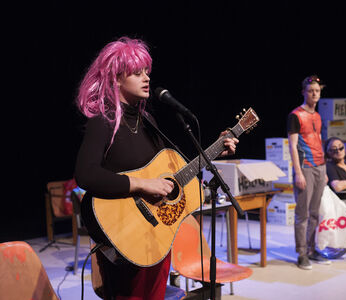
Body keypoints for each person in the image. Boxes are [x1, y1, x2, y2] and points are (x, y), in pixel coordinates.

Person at [74, 36, 238, 300]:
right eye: (137, 73)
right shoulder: (103, 120)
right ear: (116, 78)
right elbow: (85, 174)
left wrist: (216, 150)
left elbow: (172, 174)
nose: (146, 78)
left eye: (147, 72)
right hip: (123, 235)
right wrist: (141, 184)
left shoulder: (147, 121)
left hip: (156, 234)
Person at [287, 75, 330, 270]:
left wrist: (325, 169)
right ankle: (302, 253)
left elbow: (319, 140)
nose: (314, 94)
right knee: (302, 213)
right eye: (311, 91)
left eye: (317, 91)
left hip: (320, 166)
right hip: (305, 166)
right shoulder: (295, 115)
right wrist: (298, 172)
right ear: (304, 92)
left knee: (314, 212)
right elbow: (293, 146)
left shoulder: (318, 116)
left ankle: (312, 249)